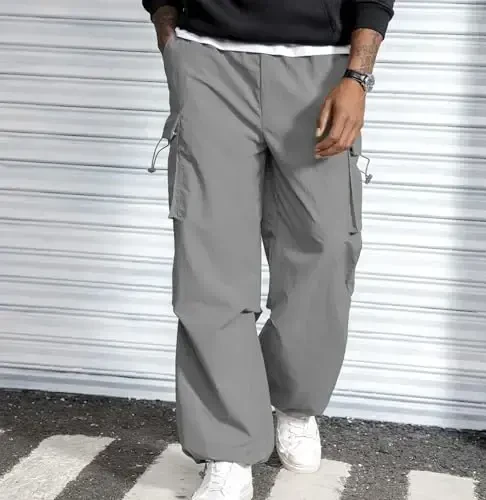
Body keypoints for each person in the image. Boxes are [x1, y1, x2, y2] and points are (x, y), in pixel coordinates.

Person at [142, 1, 394, 498]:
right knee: (209, 261)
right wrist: (167, 33)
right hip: (210, 62)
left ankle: (293, 402)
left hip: (321, 67)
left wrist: (358, 77)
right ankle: (227, 446)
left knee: (326, 249)